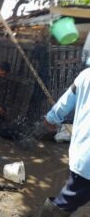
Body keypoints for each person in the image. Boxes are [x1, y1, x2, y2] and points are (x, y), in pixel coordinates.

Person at [39, 68, 90, 217]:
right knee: (66, 201)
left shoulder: (86, 75)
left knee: (68, 200)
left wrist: (51, 119)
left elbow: (65, 102)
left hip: (83, 155)